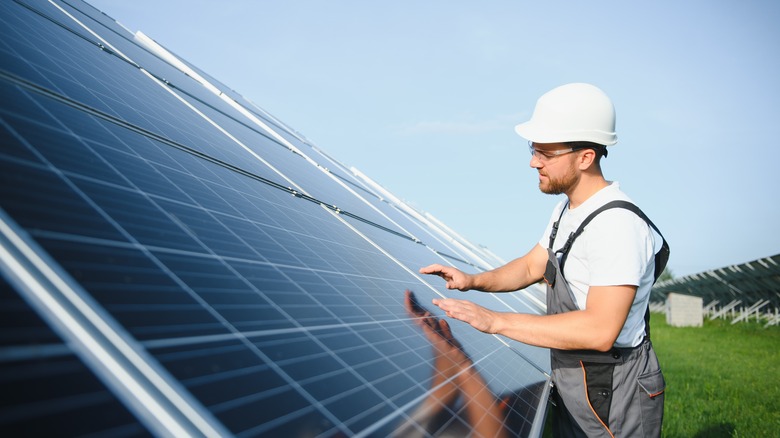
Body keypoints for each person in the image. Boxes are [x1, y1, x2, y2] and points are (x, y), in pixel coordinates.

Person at [420, 83, 669, 437]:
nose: (534, 161)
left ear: (585, 157)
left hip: (613, 384)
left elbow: (600, 329)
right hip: (576, 372)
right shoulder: (568, 209)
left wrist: (495, 322)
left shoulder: (617, 226)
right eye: (533, 149)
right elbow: (530, 266)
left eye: (546, 153)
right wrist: (472, 280)